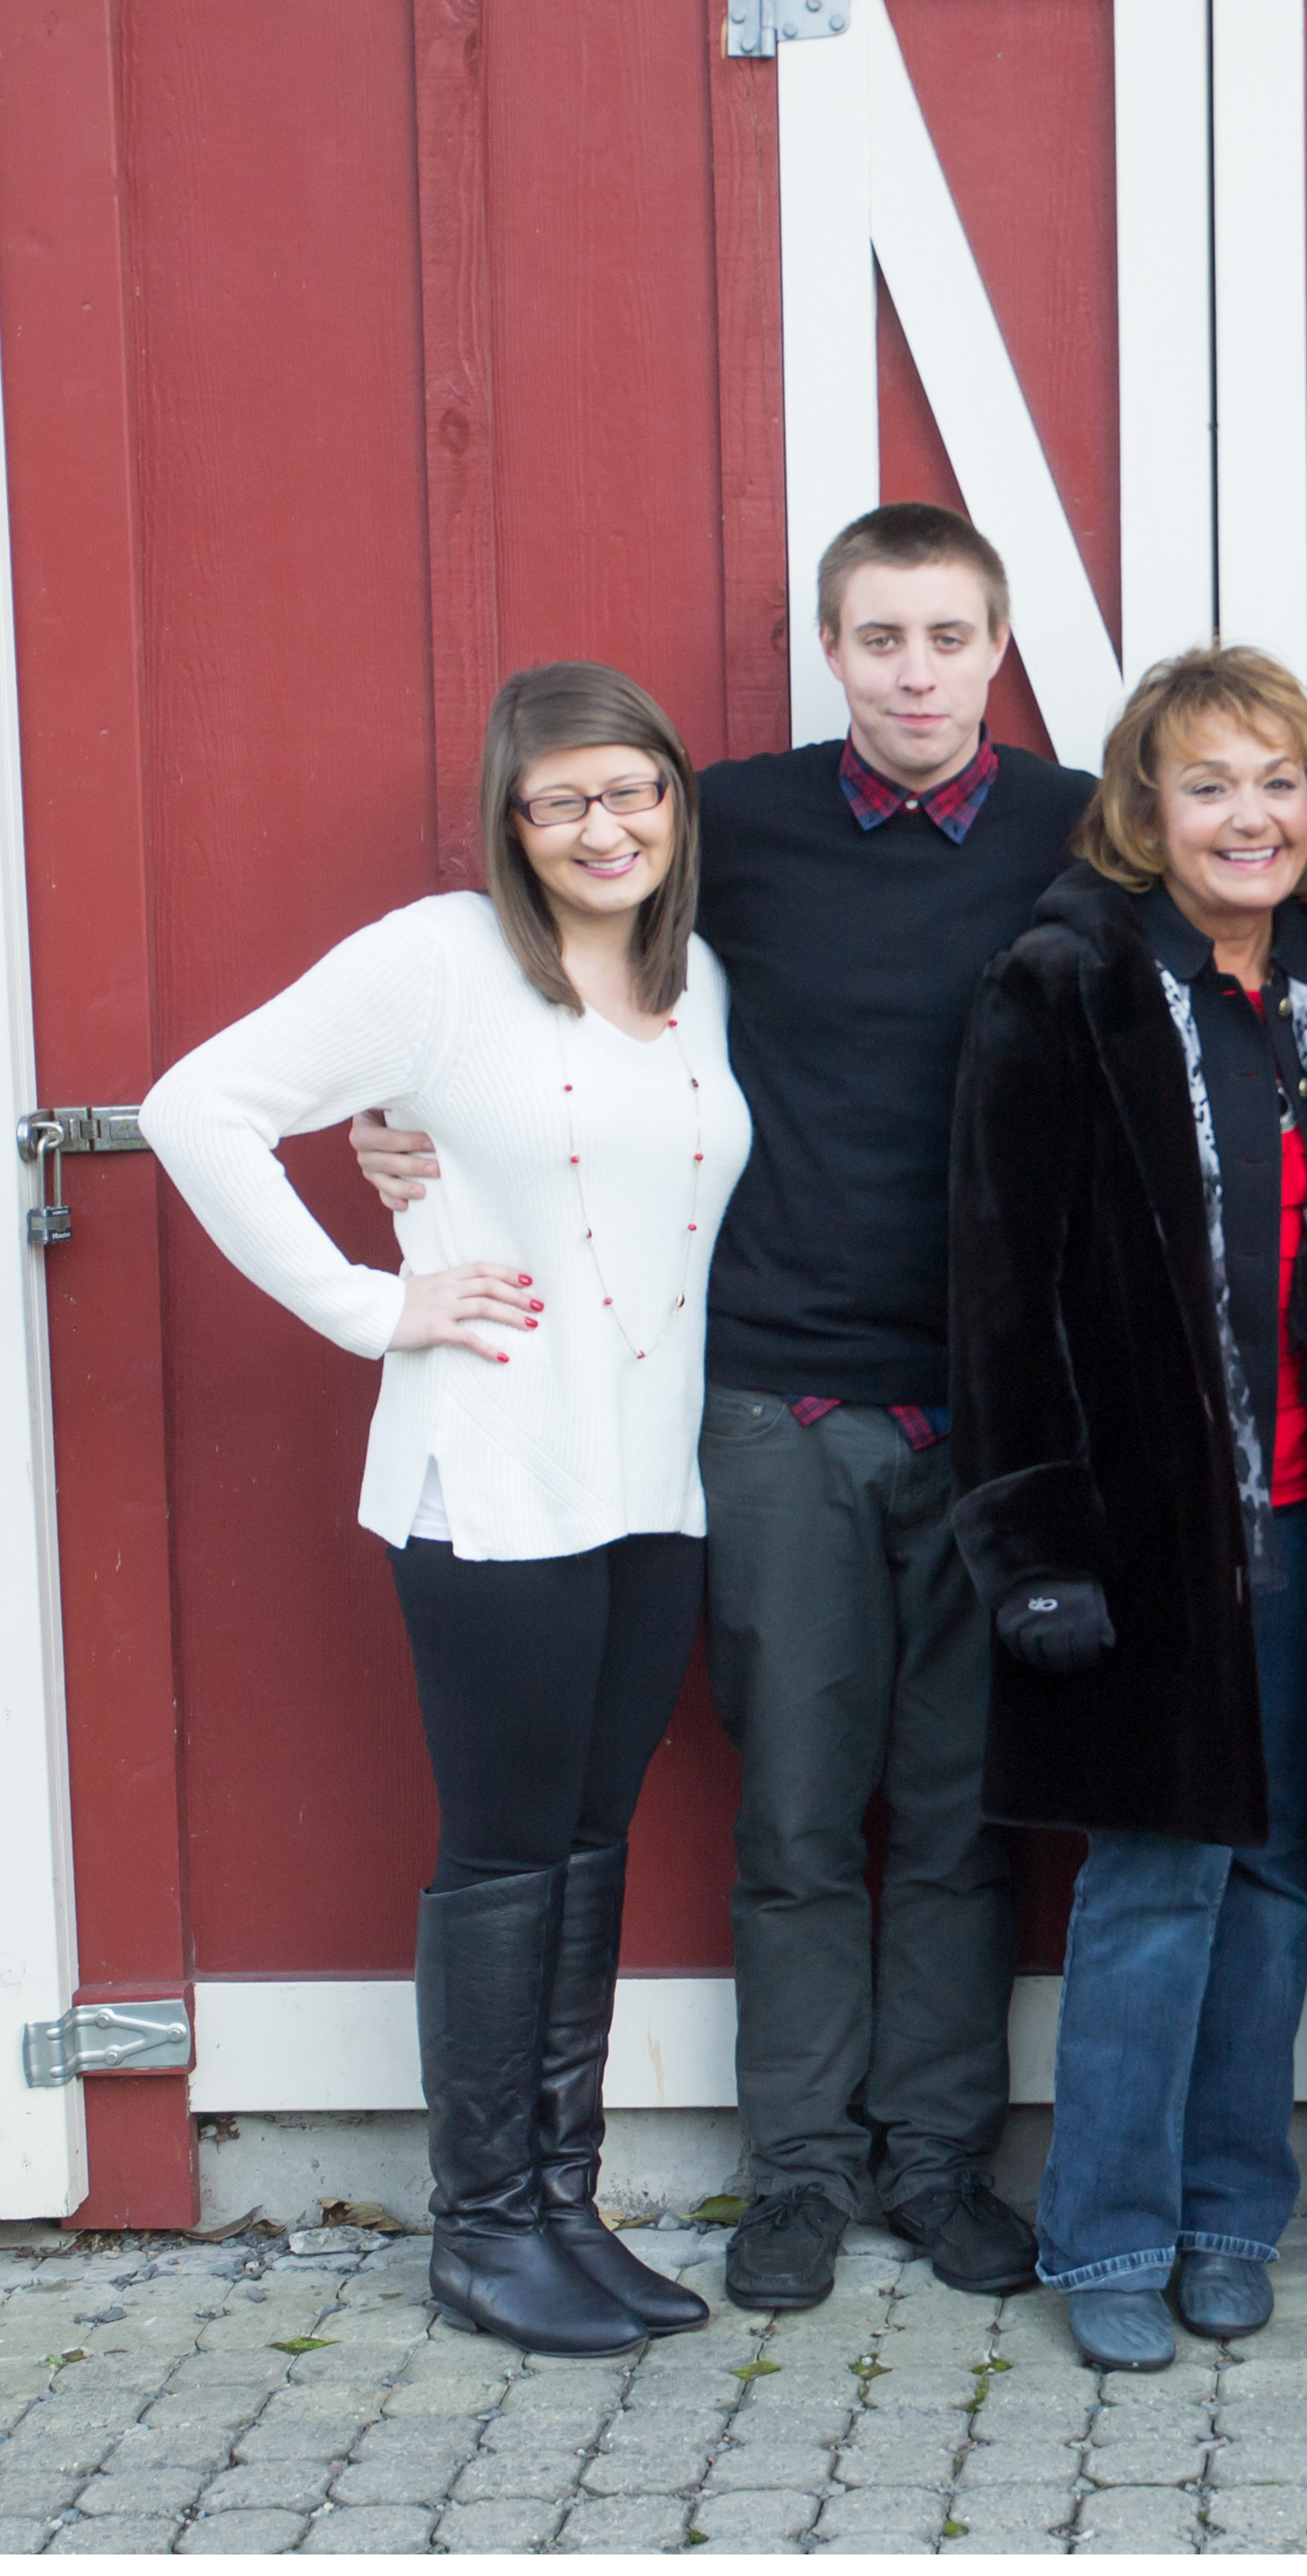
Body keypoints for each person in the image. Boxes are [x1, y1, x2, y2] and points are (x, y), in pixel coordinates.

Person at [355, 504, 1090, 2311]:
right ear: (830, 652)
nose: (915, 671)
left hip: (997, 1411)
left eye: (948, 636)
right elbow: (557, 981)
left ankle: (937, 2160)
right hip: (776, 1401)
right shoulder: (727, 825)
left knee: (957, 1815)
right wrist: (416, 1138)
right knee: (794, 1816)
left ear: (995, 647)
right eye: (880, 637)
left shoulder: (1078, 831)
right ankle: (802, 2171)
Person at [148, 663, 752, 2357]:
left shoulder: (692, 979)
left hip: (650, 1483)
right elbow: (202, 1103)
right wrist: (368, 1301)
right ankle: (482, 2230)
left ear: (672, 803)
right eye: (561, 798)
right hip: (491, 1476)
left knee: (589, 1837)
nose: (602, 824)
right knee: (503, 1850)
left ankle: (563, 2203)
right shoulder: (437, 958)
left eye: (631, 789)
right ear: (512, 817)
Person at [945, 647, 1307, 2374]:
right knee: (1156, 1877)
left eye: (1277, 781)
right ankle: (1106, 2229)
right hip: (1144, 1524)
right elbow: (998, 1276)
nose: (1249, 815)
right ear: (1146, 806)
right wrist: (1034, 1540)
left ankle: (1227, 2211)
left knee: (1273, 1873)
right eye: (1210, 784)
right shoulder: (1069, 980)